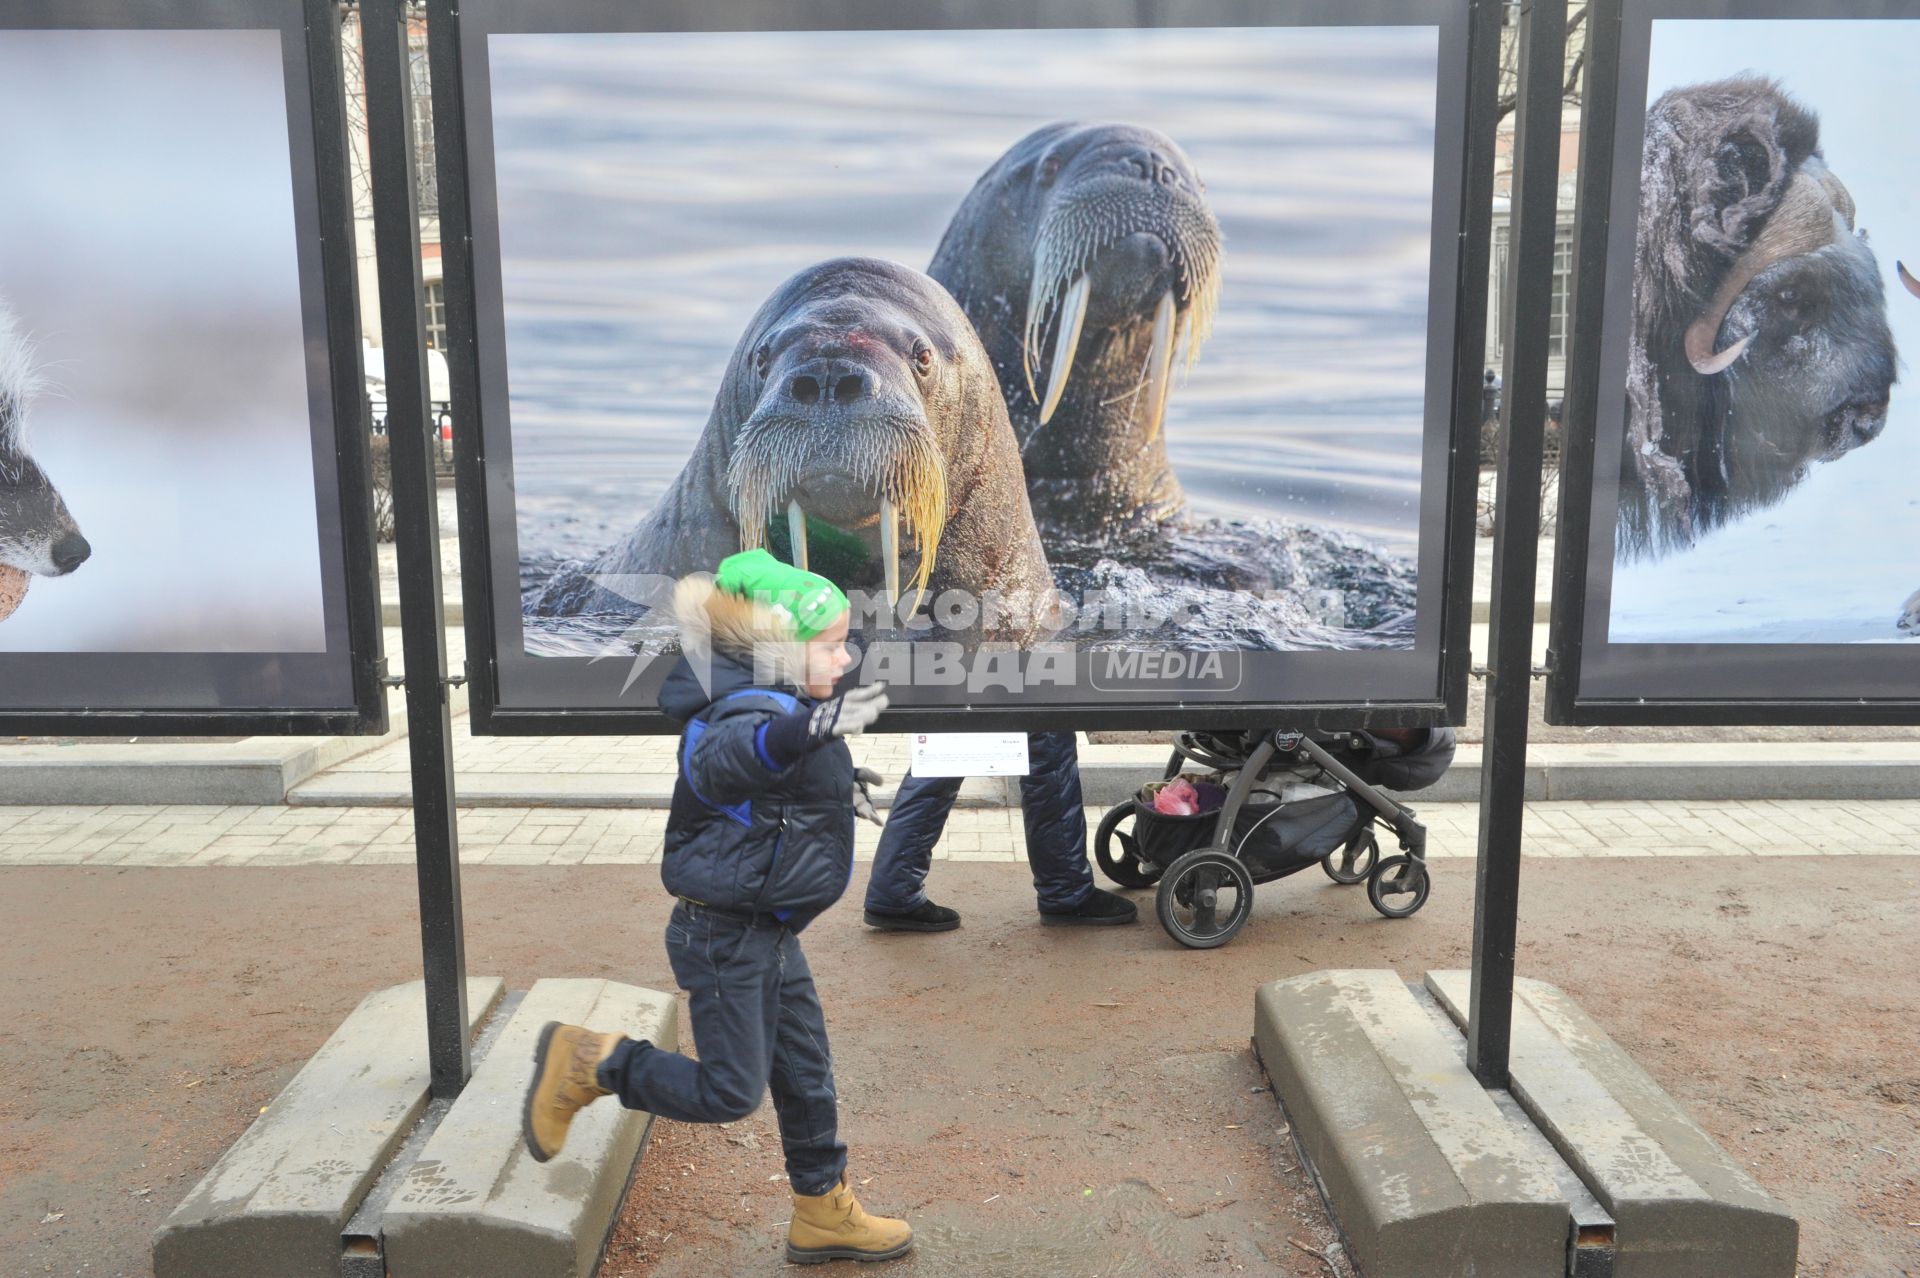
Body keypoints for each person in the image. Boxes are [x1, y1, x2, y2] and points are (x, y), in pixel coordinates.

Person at [520, 548, 913, 1266]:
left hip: (768, 929)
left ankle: (823, 1212)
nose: (848, 654)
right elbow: (732, 757)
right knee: (731, 1091)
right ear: (780, 650)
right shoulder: (741, 708)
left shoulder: (787, 701)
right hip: (723, 935)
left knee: (805, 1074)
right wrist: (805, 737)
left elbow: (777, 776)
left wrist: (837, 778)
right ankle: (592, 1063)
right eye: (830, 644)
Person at [863, 729, 1137, 931]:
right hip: (1013, 668)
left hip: (961, 669)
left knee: (940, 755)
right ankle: (1067, 892)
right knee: (1049, 747)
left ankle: (893, 891)